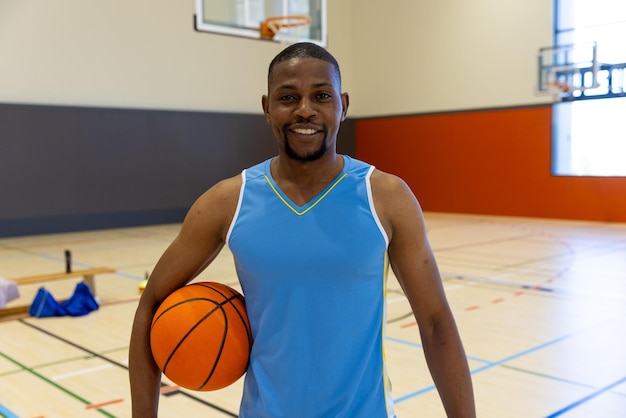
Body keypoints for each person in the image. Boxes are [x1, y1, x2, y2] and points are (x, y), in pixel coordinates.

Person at [129, 42, 475, 417]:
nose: (305, 110)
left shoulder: (386, 198)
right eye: (288, 97)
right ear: (267, 108)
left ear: (343, 105)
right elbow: (151, 305)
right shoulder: (228, 202)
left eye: (321, 96)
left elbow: (437, 324)